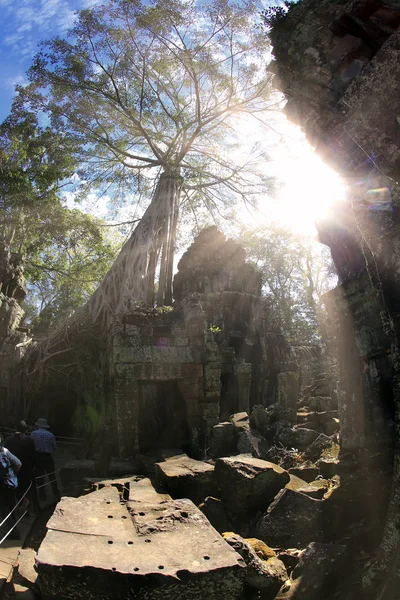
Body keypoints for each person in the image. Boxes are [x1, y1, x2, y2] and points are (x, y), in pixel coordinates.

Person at [5, 421, 38, 512]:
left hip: (13, 470)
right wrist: (34, 467)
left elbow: (5, 456)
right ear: (26, 430)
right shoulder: (29, 441)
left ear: (16, 428)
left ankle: (18, 506)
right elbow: (33, 455)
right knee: (27, 489)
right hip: (27, 469)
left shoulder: (9, 440)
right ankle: (26, 507)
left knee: (15, 490)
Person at [31, 418, 61, 502]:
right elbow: (54, 447)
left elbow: (31, 445)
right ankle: (56, 493)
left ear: (38, 425)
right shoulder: (50, 435)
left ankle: (42, 495)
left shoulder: (33, 434)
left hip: (38, 457)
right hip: (48, 457)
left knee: (40, 477)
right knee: (52, 476)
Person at [0, 435, 22, 540]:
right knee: (9, 506)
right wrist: (12, 474)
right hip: (8, 483)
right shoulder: (4, 451)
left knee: (4, 508)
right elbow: (18, 463)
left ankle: (14, 532)